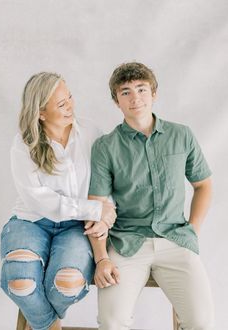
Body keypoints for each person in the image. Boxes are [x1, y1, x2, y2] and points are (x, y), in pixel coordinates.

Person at [85, 62, 215, 330]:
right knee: (112, 322)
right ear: (116, 101)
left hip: (176, 239)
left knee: (202, 323)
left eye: (142, 89)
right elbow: (95, 207)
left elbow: (203, 185)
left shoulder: (182, 135)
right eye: (126, 92)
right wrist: (102, 258)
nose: (135, 99)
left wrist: (192, 231)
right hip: (126, 244)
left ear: (154, 94)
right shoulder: (105, 147)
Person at [0, 72, 116, 330]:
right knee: (21, 284)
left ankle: (42, 319)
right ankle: (51, 325)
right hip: (31, 222)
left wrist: (108, 214)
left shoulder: (90, 132)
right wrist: (95, 209)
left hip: (76, 226)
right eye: (61, 104)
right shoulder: (24, 144)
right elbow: (41, 201)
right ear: (40, 112)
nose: (70, 107)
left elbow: (108, 177)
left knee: (67, 283)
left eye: (70, 98)